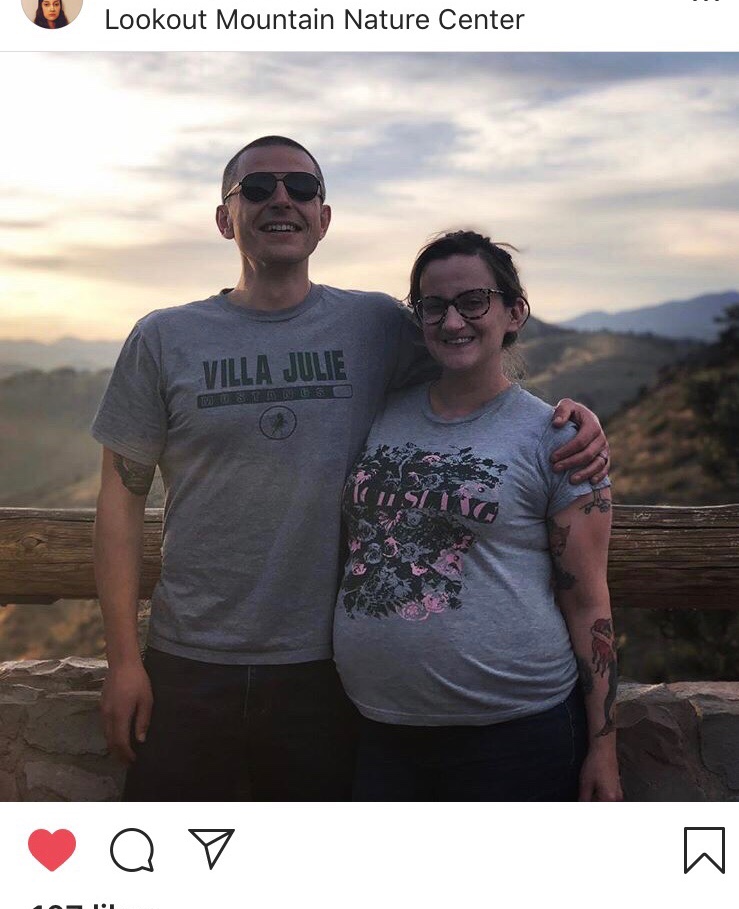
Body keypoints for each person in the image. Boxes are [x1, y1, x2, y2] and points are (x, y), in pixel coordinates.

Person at [92, 136, 612, 802]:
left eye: (302, 188)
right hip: (187, 658)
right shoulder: (163, 338)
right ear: (225, 218)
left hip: (327, 673)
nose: (282, 199)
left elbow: (473, 361)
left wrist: (567, 418)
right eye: (258, 188)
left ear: (324, 217)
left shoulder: (375, 324)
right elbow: (119, 500)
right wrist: (123, 661)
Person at [333, 231, 622, 802]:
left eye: (473, 302)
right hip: (380, 729)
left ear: (514, 312)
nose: (452, 321)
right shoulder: (380, 414)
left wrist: (604, 746)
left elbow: (588, 602)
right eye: (434, 306)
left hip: (515, 733)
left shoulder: (556, 438)